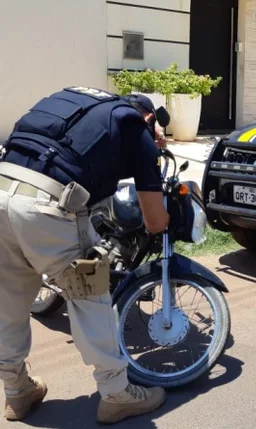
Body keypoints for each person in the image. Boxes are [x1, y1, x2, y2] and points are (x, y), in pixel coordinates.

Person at [0, 87, 171, 424]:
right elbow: (154, 220)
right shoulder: (136, 127)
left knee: (8, 301)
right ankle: (116, 394)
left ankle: (17, 392)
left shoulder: (85, 107)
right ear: (150, 118)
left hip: (3, 191)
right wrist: (150, 153)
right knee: (91, 295)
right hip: (46, 206)